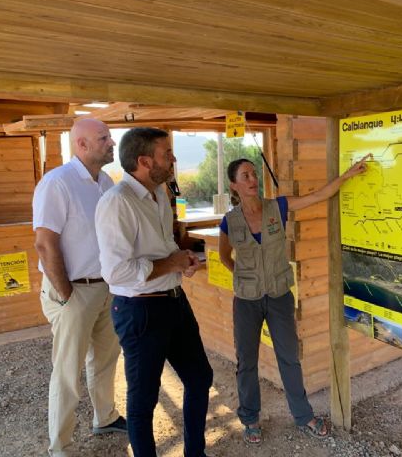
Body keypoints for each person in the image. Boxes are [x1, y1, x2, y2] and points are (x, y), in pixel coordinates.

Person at [219, 154, 371, 444]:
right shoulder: (229, 221)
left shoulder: (278, 206)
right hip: (246, 302)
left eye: (254, 174)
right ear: (234, 185)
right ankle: (250, 419)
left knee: (289, 358)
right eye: (246, 176)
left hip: (279, 297)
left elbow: (319, 195)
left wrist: (348, 174)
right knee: (246, 362)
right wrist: (242, 277)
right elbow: (225, 255)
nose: (253, 180)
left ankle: (303, 416)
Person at [95, 127, 213, 457]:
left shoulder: (160, 194)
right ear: (145, 161)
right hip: (140, 310)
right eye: (167, 154)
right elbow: (116, 272)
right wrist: (170, 263)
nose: (174, 159)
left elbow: (163, 248)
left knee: (200, 377)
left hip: (174, 301)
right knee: (144, 398)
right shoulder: (117, 203)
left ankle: (195, 453)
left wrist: (181, 260)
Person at [33, 118, 126, 457]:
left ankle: (105, 417)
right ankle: (60, 446)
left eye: (110, 137)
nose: (111, 143)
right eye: (103, 138)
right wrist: (66, 294)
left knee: (105, 360)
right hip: (74, 290)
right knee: (67, 371)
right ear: (81, 145)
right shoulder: (57, 183)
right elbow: (45, 244)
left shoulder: (105, 181)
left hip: (106, 288)